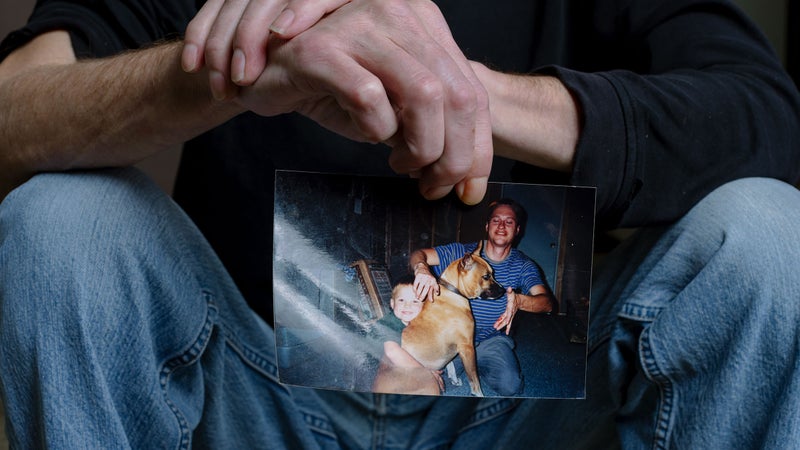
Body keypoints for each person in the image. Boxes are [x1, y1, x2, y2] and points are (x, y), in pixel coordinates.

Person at [0, 0, 799, 448]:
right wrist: (237, 72)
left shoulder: (512, 272)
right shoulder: (458, 259)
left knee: (769, 232)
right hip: (254, 393)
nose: (496, 240)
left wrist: (458, 91)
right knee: (63, 221)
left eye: (502, 236)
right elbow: (13, 107)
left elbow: (767, 120)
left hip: (520, 417)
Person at [409, 198, 554, 396]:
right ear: (487, 226)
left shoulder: (524, 265)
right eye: (496, 220)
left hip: (490, 339)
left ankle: (474, 362)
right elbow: (418, 254)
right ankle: (459, 363)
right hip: (449, 338)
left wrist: (520, 300)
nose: (502, 226)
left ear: (518, 229)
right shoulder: (461, 252)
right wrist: (421, 268)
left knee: (510, 385)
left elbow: (547, 304)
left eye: (509, 221)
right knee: (417, 377)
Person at [368, 276, 444, 396]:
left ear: (424, 307)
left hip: (395, 365)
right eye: (402, 300)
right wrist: (425, 372)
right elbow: (392, 352)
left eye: (415, 301)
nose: (407, 306)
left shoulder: (418, 323)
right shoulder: (389, 322)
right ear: (392, 304)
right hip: (369, 367)